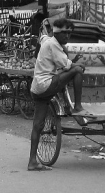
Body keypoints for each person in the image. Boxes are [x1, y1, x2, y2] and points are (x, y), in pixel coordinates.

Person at [27, 18, 88, 171]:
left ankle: (32, 161)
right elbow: (67, 65)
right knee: (77, 70)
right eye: (65, 33)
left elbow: (44, 36)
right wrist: (78, 64)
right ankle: (77, 107)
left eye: (69, 33)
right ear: (57, 33)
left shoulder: (48, 40)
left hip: (37, 89)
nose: (68, 36)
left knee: (38, 125)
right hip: (46, 84)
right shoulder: (53, 44)